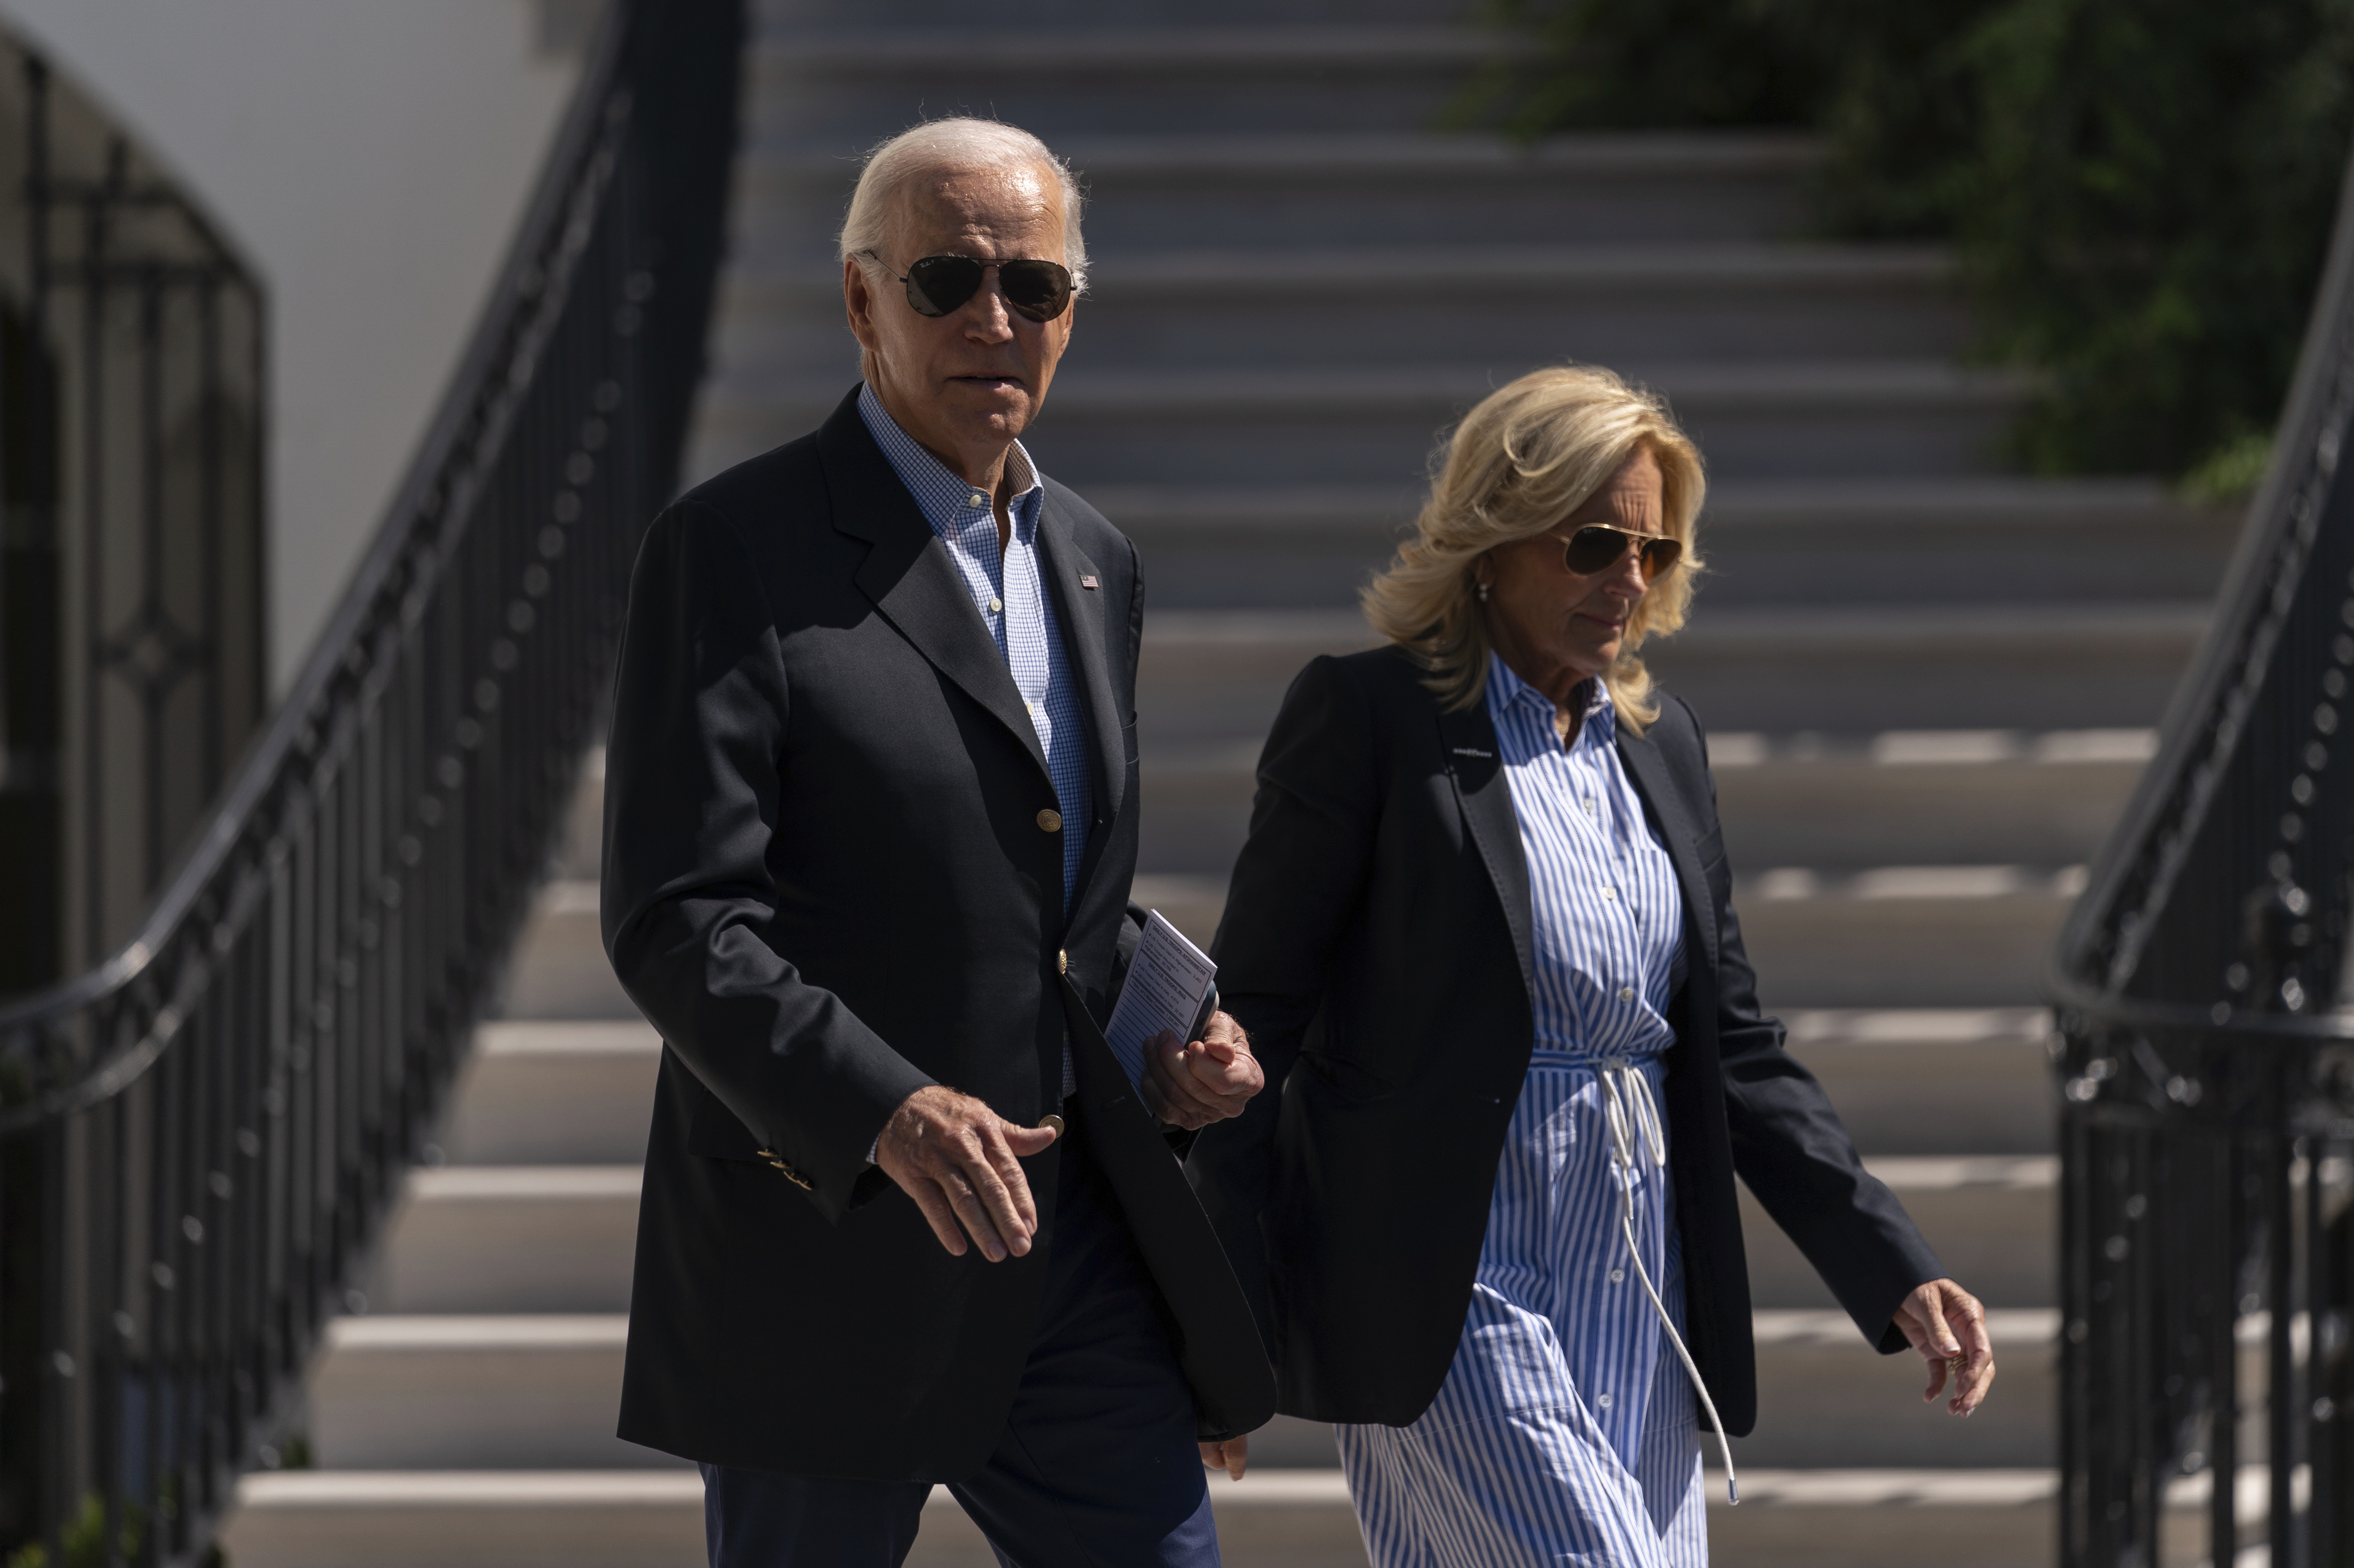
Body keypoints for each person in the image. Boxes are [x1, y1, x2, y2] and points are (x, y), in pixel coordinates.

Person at [600, 117, 1273, 1568]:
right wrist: (887, 1108)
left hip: (1073, 1255)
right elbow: (676, 916)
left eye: (1034, 288)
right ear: (860, 301)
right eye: (946, 278)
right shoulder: (732, 549)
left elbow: (1049, 898)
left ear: (1072, 319)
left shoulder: (1097, 558)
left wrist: (1164, 1055)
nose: (994, 319)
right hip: (824, 1256)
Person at [1185, 365, 1997, 1565]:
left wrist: (1891, 1259)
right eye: (1594, 543)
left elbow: (1738, 1047)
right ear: (1494, 541)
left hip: (1639, 1279)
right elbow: (1250, 1031)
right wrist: (1224, 1333)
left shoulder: (1662, 751)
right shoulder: (1370, 717)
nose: (1627, 580)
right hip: (1443, 1279)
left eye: (1655, 554)